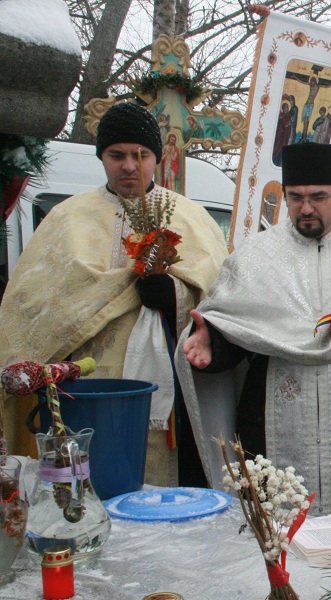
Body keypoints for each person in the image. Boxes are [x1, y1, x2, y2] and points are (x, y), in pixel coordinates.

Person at [176, 143, 331, 515]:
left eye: (318, 197)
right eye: (295, 197)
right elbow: (235, 327)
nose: (306, 208)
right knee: (274, 533)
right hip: (271, 419)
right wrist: (210, 341)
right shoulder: (255, 256)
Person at [0, 101, 228, 487]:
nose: (129, 165)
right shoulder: (67, 218)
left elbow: (222, 300)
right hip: (85, 387)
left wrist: (173, 293)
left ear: (156, 157)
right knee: (92, 481)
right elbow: (32, 304)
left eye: (141, 155)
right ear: (101, 158)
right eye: (116, 155)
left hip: (171, 391)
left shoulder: (192, 217)